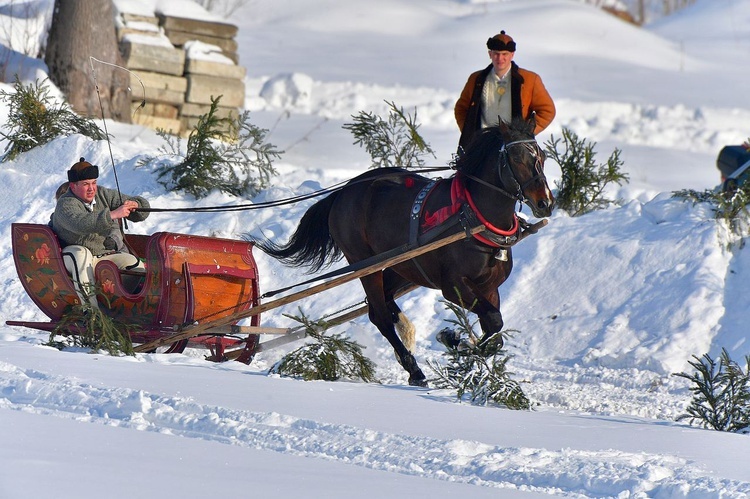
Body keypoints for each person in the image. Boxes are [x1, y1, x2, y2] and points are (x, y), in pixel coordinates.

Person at [51, 158, 150, 307]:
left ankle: (117, 307)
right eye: (85, 184)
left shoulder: (103, 194)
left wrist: (135, 204)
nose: (91, 188)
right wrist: (112, 214)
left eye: (94, 183)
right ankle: (91, 312)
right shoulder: (65, 204)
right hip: (70, 256)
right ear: (73, 186)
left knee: (135, 265)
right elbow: (81, 223)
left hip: (102, 255)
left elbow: (139, 206)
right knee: (80, 254)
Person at [454, 30, 556, 152]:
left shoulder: (530, 80)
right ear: (490, 54)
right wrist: (470, 131)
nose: (500, 58)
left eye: (505, 54)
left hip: (514, 147)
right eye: (496, 54)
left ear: (512, 55)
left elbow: (547, 110)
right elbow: (461, 108)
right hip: (481, 144)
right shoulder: (476, 79)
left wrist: (524, 134)